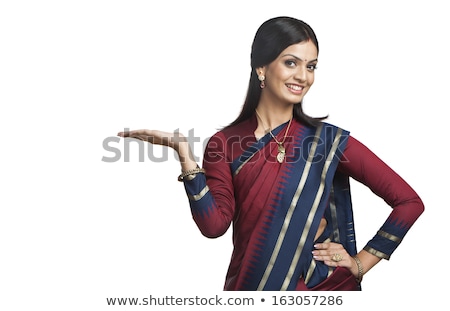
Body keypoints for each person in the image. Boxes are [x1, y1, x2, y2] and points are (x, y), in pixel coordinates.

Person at [118, 16, 424, 291]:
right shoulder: (224, 143)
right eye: (291, 62)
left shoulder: (326, 141)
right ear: (261, 68)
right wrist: (183, 152)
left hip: (314, 292)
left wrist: (361, 263)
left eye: (311, 66)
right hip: (250, 290)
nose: (303, 76)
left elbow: (409, 202)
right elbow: (214, 226)